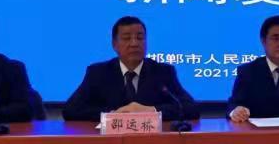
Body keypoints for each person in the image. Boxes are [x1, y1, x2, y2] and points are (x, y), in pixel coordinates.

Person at [63, 16, 199, 122]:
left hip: (151, 143)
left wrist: (151, 111)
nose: (134, 43)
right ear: (114, 44)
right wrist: (112, 114)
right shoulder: (98, 73)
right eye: (126, 38)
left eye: (140, 38)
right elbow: (70, 110)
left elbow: (191, 108)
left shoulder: (163, 72)